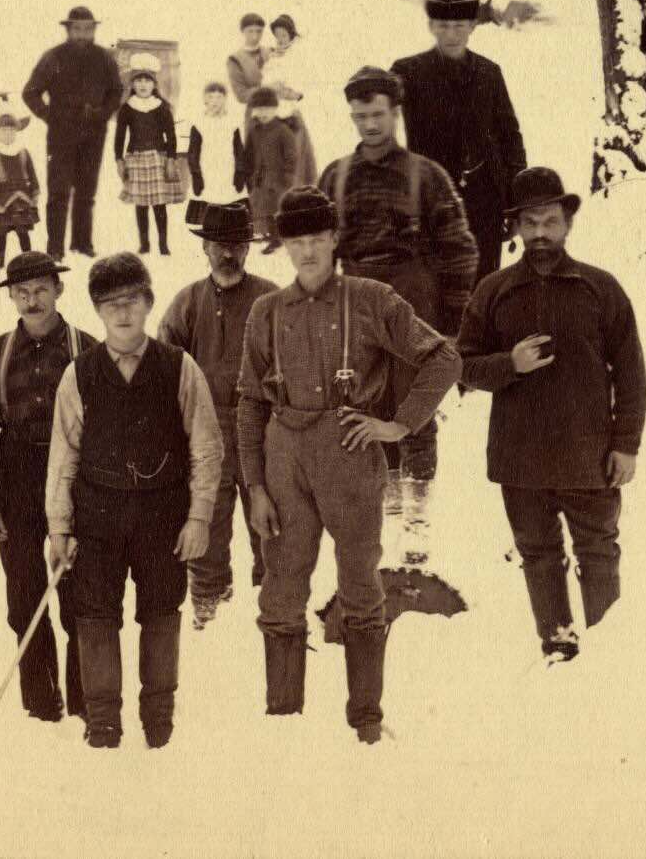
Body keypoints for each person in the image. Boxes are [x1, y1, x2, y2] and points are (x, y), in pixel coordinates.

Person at [236, 189, 458, 745]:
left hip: (349, 452)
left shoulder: (371, 299)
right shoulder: (266, 312)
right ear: (283, 246)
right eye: (296, 241)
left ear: (334, 240)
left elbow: (444, 358)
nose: (307, 251)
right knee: (282, 584)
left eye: (317, 239)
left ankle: (366, 721)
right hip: (284, 454)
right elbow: (249, 404)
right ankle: (283, 723)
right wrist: (256, 487)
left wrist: (399, 425)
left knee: (360, 582)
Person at [457, 167, 646, 663]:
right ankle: (557, 645)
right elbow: (463, 366)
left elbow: (631, 372)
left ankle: (609, 649)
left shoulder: (600, 288)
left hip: (589, 455)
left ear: (568, 224)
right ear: (515, 227)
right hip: (520, 459)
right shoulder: (493, 291)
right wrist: (509, 365)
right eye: (530, 222)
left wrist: (626, 444)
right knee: (538, 553)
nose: (540, 233)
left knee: (598, 551)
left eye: (551, 221)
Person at [48, 253, 222, 750]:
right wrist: (59, 529)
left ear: (148, 303)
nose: (122, 313)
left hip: (162, 516)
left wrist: (199, 517)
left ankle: (159, 719)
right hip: (97, 519)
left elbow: (207, 447)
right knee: (96, 614)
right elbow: (63, 457)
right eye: (110, 305)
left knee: (162, 613)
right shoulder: (78, 374)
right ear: (97, 312)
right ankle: (103, 720)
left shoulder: (178, 367)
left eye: (131, 301)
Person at [315, 66, 480, 567]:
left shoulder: (426, 176)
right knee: (365, 408)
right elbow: (318, 247)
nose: (369, 125)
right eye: (360, 116)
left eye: (377, 115)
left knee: (415, 412)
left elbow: (460, 248)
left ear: (396, 113)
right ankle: (384, 512)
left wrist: (450, 323)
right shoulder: (335, 176)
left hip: (415, 301)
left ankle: (417, 522)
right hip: (355, 304)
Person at [0, 252, 93, 724]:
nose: (31, 300)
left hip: (73, 474)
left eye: (41, 289)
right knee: (24, 594)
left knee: (79, 589)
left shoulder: (87, 347)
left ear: (58, 290)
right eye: (21, 292)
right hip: (15, 472)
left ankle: (85, 700)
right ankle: (40, 706)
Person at [158, 201, 276, 628]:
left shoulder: (271, 298)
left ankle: (275, 610)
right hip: (206, 432)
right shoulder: (188, 302)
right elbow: (164, 371)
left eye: (238, 245)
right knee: (206, 524)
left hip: (263, 429)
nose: (229, 255)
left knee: (270, 523)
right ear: (205, 248)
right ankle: (209, 611)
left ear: (248, 248)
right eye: (220, 246)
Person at [391, 0, 531, 276]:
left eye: (459, 26)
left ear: (472, 26)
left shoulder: (489, 73)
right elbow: (380, 116)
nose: (451, 34)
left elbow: (510, 137)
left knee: (484, 288)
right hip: (431, 205)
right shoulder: (408, 72)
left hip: (485, 205)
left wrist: (516, 204)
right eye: (442, 25)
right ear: (431, 26)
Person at [21, 3, 125, 259]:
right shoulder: (53, 57)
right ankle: (54, 248)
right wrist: (50, 116)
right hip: (61, 136)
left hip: (94, 135)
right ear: (68, 30)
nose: (82, 34)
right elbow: (30, 92)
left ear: (94, 30)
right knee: (58, 192)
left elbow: (116, 92)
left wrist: (102, 115)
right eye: (77, 28)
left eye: (87, 29)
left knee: (86, 192)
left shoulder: (104, 58)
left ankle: (82, 243)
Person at [113, 56, 184, 257]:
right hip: (136, 159)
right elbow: (119, 137)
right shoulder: (127, 108)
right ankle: (144, 244)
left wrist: (170, 159)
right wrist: (119, 160)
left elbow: (170, 136)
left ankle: (163, 244)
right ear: (132, 84)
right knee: (141, 204)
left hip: (157, 158)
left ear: (154, 84)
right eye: (138, 81)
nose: (143, 85)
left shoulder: (161, 107)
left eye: (147, 81)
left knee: (159, 204)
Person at [237, 85, 314, 247]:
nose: (263, 114)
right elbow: (249, 153)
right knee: (262, 206)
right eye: (259, 110)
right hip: (260, 176)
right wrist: (247, 172)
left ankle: (277, 238)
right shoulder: (255, 130)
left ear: (275, 109)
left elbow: (291, 156)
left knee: (276, 207)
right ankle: (267, 233)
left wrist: (287, 176)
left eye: (267, 109)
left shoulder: (283, 130)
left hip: (278, 176)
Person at [0, 115, 40, 267]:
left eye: (11, 130)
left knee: (23, 231)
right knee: (1, 233)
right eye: (4, 130)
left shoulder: (23, 151)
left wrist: (35, 194)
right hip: (0, 201)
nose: (8, 133)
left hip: (22, 200)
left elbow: (32, 174)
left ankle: (28, 261)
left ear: (16, 132)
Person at [227, 13, 270, 106]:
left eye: (259, 31)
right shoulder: (235, 59)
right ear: (242, 31)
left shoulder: (271, 53)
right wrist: (268, 89)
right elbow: (241, 95)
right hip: (255, 111)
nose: (255, 36)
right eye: (250, 31)